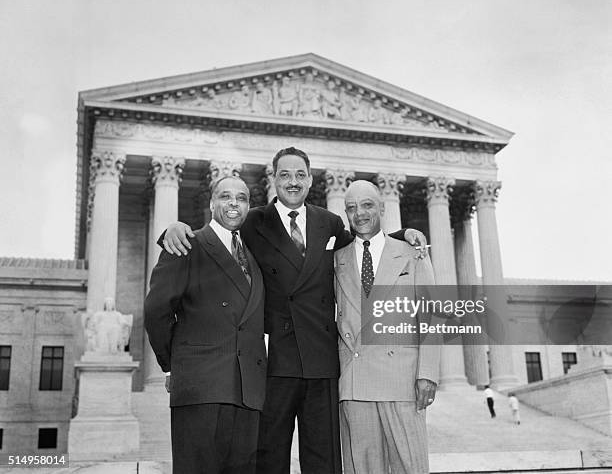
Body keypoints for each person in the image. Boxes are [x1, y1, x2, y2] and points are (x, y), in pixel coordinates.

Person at [161, 147, 427, 474]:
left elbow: (363, 242)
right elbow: (215, 238)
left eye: (300, 174)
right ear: (273, 179)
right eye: (285, 174)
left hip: (321, 360)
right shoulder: (252, 221)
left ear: (311, 180)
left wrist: (403, 235)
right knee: (270, 458)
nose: (293, 181)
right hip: (274, 362)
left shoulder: (328, 222)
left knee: (323, 460)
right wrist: (175, 228)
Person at [144, 176, 267, 474]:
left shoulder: (256, 254)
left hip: (248, 392)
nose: (234, 203)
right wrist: (172, 366)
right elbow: (156, 310)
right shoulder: (187, 243)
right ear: (211, 203)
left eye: (242, 198)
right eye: (226, 196)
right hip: (201, 388)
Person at [334, 180, 439, 474]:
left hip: (402, 381)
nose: (360, 214)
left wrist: (427, 373)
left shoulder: (413, 253)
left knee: (410, 467)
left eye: (367, 205)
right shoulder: (336, 259)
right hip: (355, 384)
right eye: (352, 208)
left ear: (382, 207)